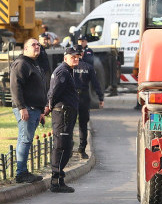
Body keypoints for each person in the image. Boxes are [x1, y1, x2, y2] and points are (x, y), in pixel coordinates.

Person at [10, 38, 47, 184]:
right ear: (25, 49)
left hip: (34, 109)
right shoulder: (22, 64)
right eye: (33, 45)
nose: (37, 46)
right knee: (25, 140)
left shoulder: (34, 64)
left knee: (25, 139)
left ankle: (23, 171)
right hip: (27, 108)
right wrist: (22, 107)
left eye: (38, 44)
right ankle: (21, 173)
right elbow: (15, 87)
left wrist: (41, 110)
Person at [46, 45, 83, 193]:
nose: (76, 58)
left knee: (67, 145)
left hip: (67, 113)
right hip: (62, 113)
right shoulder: (63, 72)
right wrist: (48, 106)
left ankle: (60, 179)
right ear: (65, 58)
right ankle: (56, 181)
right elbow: (54, 92)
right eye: (72, 56)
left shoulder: (68, 71)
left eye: (77, 56)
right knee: (61, 146)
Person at [70, 37, 106, 159]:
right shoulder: (88, 67)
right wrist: (101, 97)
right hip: (84, 97)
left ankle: (69, 148)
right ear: (83, 53)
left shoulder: (68, 67)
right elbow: (96, 84)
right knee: (83, 124)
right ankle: (82, 149)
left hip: (71, 97)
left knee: (69, 123)